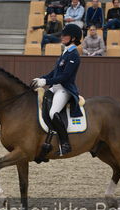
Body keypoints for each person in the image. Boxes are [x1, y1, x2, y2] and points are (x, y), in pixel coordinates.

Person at [30, 24, 83, 156]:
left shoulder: (74, 55)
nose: (62, 37)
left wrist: (46, 82)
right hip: (55, 88)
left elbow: (64, 77)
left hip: (65, 89)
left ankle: (65, 144)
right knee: (41, 103)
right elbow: (54, 72)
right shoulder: (65, 52)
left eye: (65, 35)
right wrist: (41, 79)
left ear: (73, 38)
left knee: (54, 112)